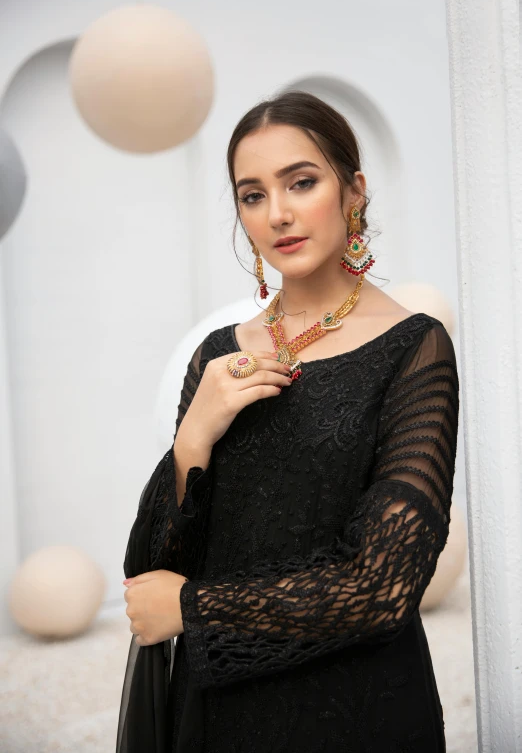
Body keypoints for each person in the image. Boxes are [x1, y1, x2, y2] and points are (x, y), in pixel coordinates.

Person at [116, 90, 460, 753]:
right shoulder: (219, 354)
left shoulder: (414, 348)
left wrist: (194, 609)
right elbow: (152, 570)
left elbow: (382, 587)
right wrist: (194, 435)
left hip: (356, 712)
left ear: (353, 190)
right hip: (217, 715)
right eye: (252, 194)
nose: (277, 213)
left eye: (301, 182)